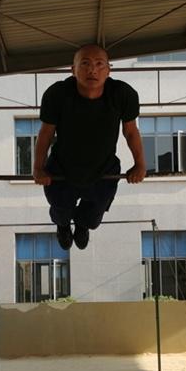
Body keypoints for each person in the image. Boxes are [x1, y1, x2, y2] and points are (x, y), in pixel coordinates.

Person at [33, 44, 146, 250]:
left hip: (103, 168)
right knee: (61, 211)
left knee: (92, 219)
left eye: (99, 64)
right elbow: (46, 133)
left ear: (108, 70)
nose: (92, 70)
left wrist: (140, 164)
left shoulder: (122, 94)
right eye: (85, 64)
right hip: (62, 167)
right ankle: (63, 226)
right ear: (73, 70)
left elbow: (130, 131)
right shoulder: (57, 94)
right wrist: (38, 168)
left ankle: (82, 225)